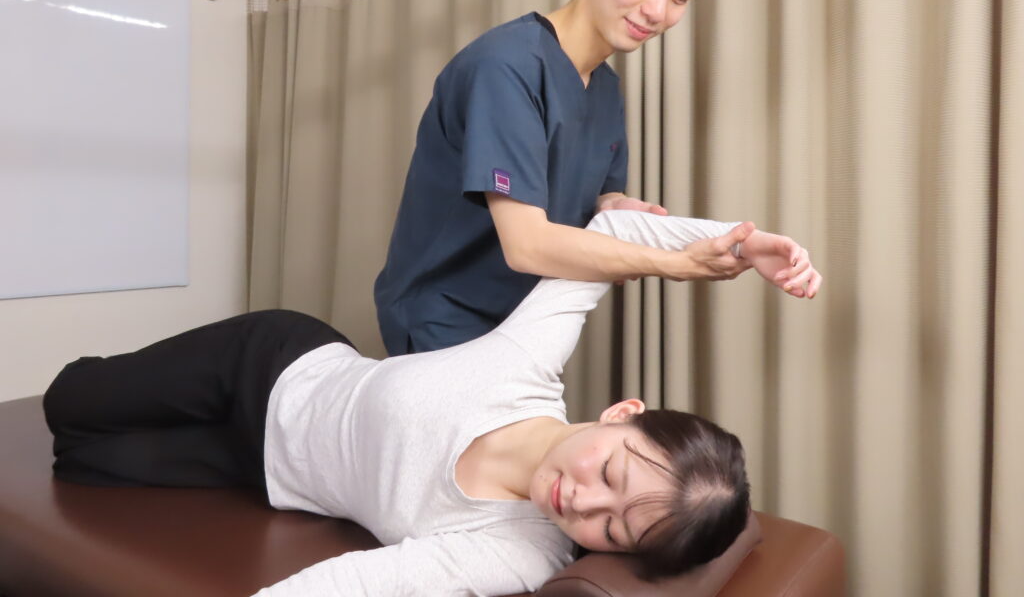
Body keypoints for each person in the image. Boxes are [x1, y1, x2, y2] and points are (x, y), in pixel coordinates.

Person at [42, 210, 815, 596]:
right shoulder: (526, 363)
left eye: (611, 529)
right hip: (272, 362)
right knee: (68, 404)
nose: (582, 502)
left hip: (262, 469)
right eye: (610, 474)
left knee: (85, 462)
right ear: (622, 413)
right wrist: (735, 244)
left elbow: (363, 585)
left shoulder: (519, 552)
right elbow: (609, 230)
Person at [375, 0, 817, 356]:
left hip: (525, 323)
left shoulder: (604, 88)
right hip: (443, 318)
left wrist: (741, 244)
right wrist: (681, 262)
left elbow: (600, 200)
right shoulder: (506, 66)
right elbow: (527, 244)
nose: (657, 10)